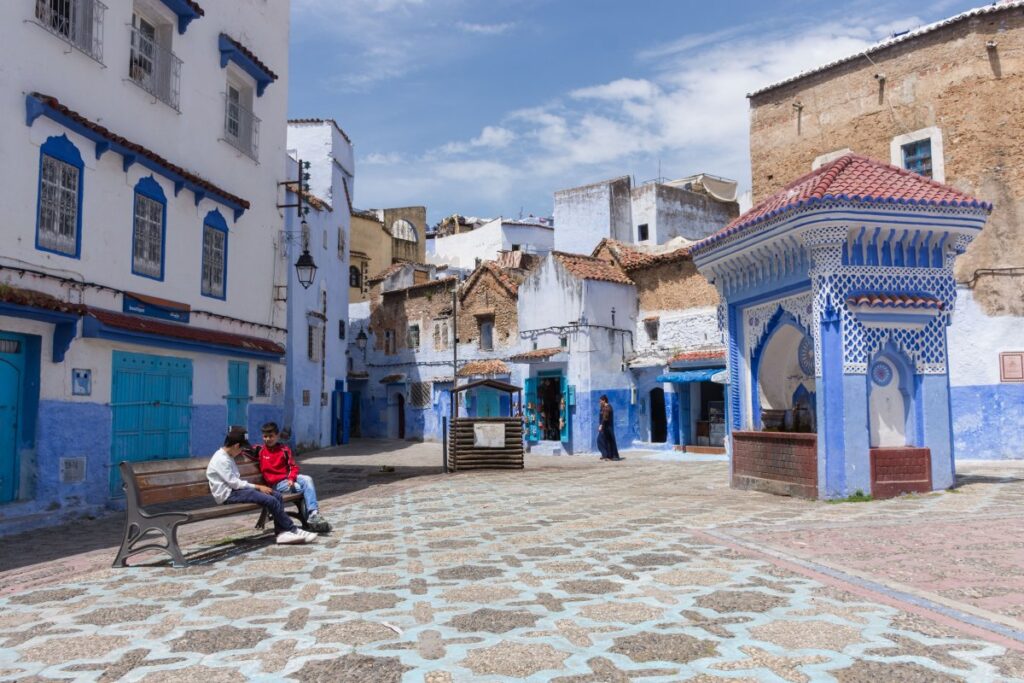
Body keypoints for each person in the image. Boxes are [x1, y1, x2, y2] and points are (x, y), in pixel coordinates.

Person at [206, 426, 315, 544]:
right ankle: (292, 529)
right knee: (270, 500)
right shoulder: (221, 459)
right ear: (236, 446)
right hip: (228, 495)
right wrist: (258, 487)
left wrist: (257, 488)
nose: (241, 452)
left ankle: (281, 533)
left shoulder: (228, 456)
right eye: (241, 448)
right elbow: (235, 483)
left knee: (276, 495)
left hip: (237, 491)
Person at [257, 422, 332, 533]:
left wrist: (291, 478)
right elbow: (244, 449)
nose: (268, 439)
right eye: (265, 436)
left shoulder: (284, 450)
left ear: (277, 436)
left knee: (307, 479)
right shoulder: (260, 451)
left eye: (271, 436)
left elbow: (293, 467)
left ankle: (313, 513)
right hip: (276, 485)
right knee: (304, 489)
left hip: (288, 480)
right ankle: (312, 520)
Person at [597, 395, 622, 461]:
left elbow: (605, 418)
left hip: (608, 427)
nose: (599, 402)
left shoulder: (608, 407)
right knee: (605, 441)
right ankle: (607, 455)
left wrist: (601, 425)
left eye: (600, 401)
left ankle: (613, 456)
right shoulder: (603, 407)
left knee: (607, 441)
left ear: (604, 400)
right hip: (605, 427)